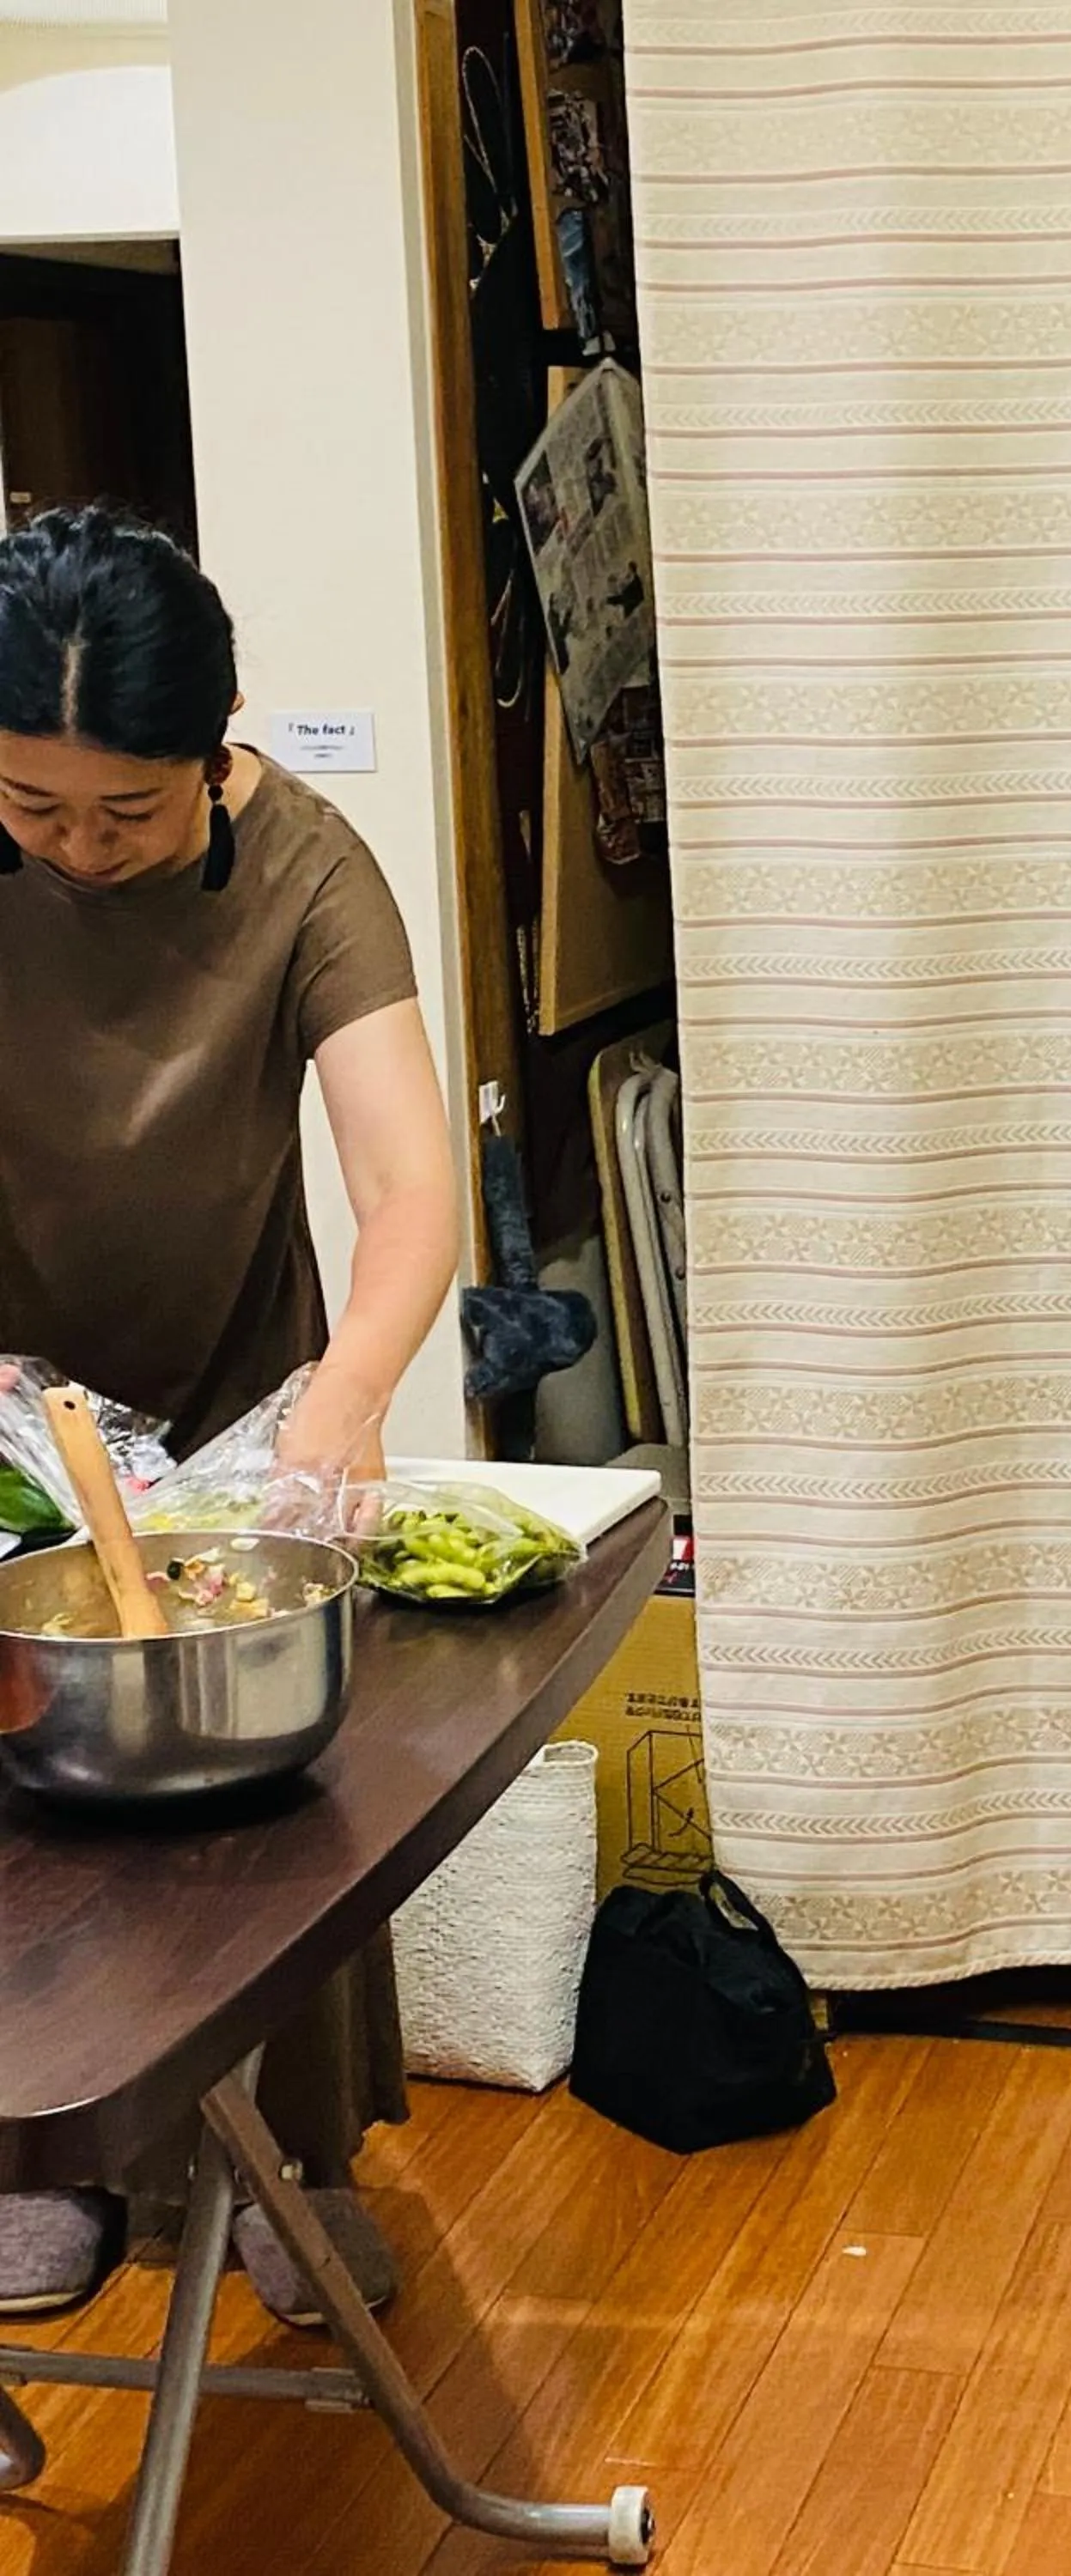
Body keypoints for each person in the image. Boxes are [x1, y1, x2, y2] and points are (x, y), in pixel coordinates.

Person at [0, 508, 459, 2324]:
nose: (80, 852)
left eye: (132, 812)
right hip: (13, 1402)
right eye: (34, 809)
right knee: (30, 1789)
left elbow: (408, 1182)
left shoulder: (309, 870)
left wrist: (343, 1402)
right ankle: (54, 2156)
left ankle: (293, 2160)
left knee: (267, 1797)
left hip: (233, 1373)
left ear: (222, 740)